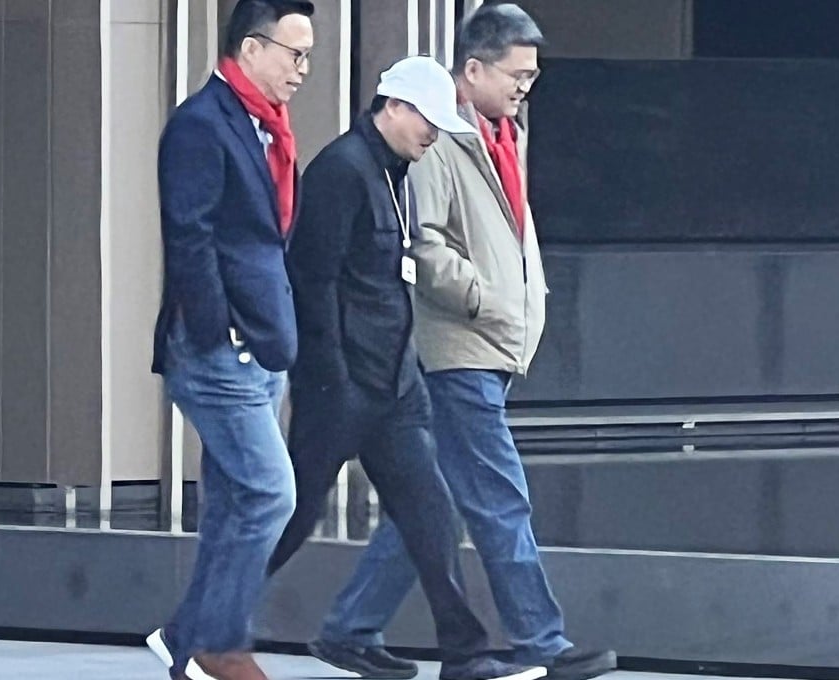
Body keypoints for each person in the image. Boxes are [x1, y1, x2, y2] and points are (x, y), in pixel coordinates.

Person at [308, 6, 617, 680]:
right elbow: (425, 243)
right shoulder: (438, 137)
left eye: (532, 78)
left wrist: (522, 304)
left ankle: (349, 627)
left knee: (432, 506)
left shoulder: (508, 132)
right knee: (500, 496)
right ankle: (542, 642)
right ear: (472, 69)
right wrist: (488, 299)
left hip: (493, 342)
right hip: (456, 349)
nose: (523, 88)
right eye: (516, 75)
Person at [266, 55, 546, 680]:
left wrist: (399, 373)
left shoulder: (393, 171)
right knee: (292, 515)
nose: (433, 135)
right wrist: (330, 379)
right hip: (342, 387)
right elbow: (313, 283)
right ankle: (198, 625)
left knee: (430, 514)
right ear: (393, 107)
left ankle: (465, 655)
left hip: (393, 384)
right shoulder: (343, 170)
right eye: (426, 121)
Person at [144, 1, 314, 679]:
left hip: (262, 347)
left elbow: (266, 238)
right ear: (251, 47)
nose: (303, 71)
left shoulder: (265, 125)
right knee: (272, 492)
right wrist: (224, 334)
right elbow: (190, 236)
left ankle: (189, 638)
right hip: (219, 348)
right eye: (294, 54)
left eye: (308, 57)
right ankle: (217, 644)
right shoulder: (200, 125)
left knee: (236, 502)